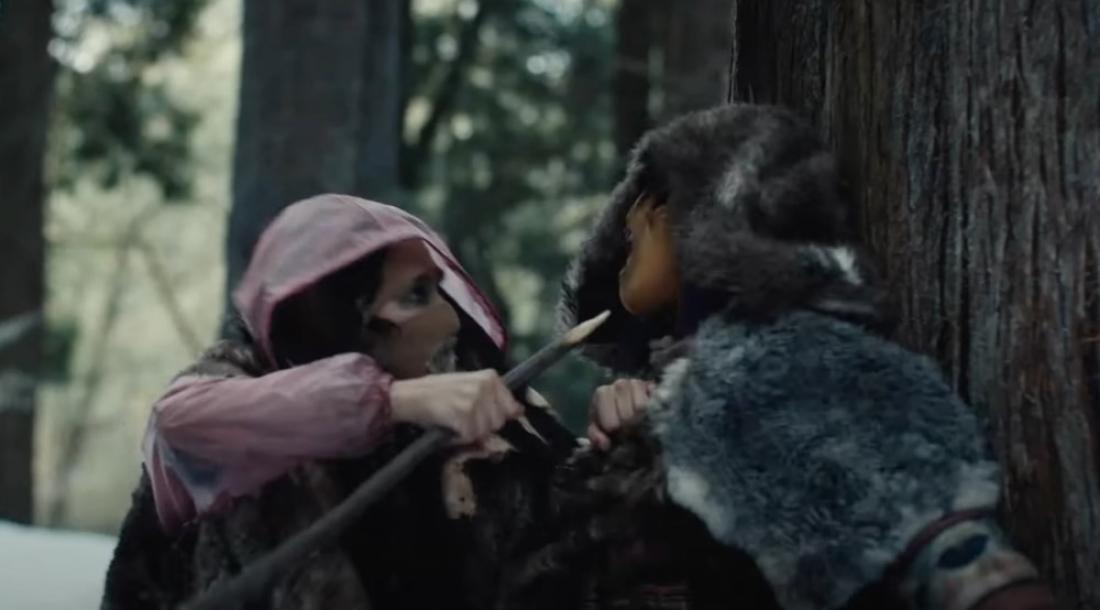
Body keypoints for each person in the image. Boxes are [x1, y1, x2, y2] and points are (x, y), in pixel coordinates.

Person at [556, 104, 1058, 610]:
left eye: (645, 221)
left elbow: (963, 560)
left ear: (699, 217)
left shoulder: (787, 366)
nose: (630, 232)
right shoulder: (686, 381)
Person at [101, 194, 577, 610]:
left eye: (439, 290)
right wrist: (389, 399)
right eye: (416, 295)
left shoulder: (479, 422)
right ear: (328, 315)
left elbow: (573, 559)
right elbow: (178, 424)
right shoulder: (235, 390)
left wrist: (611, 445)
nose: (450, 320)